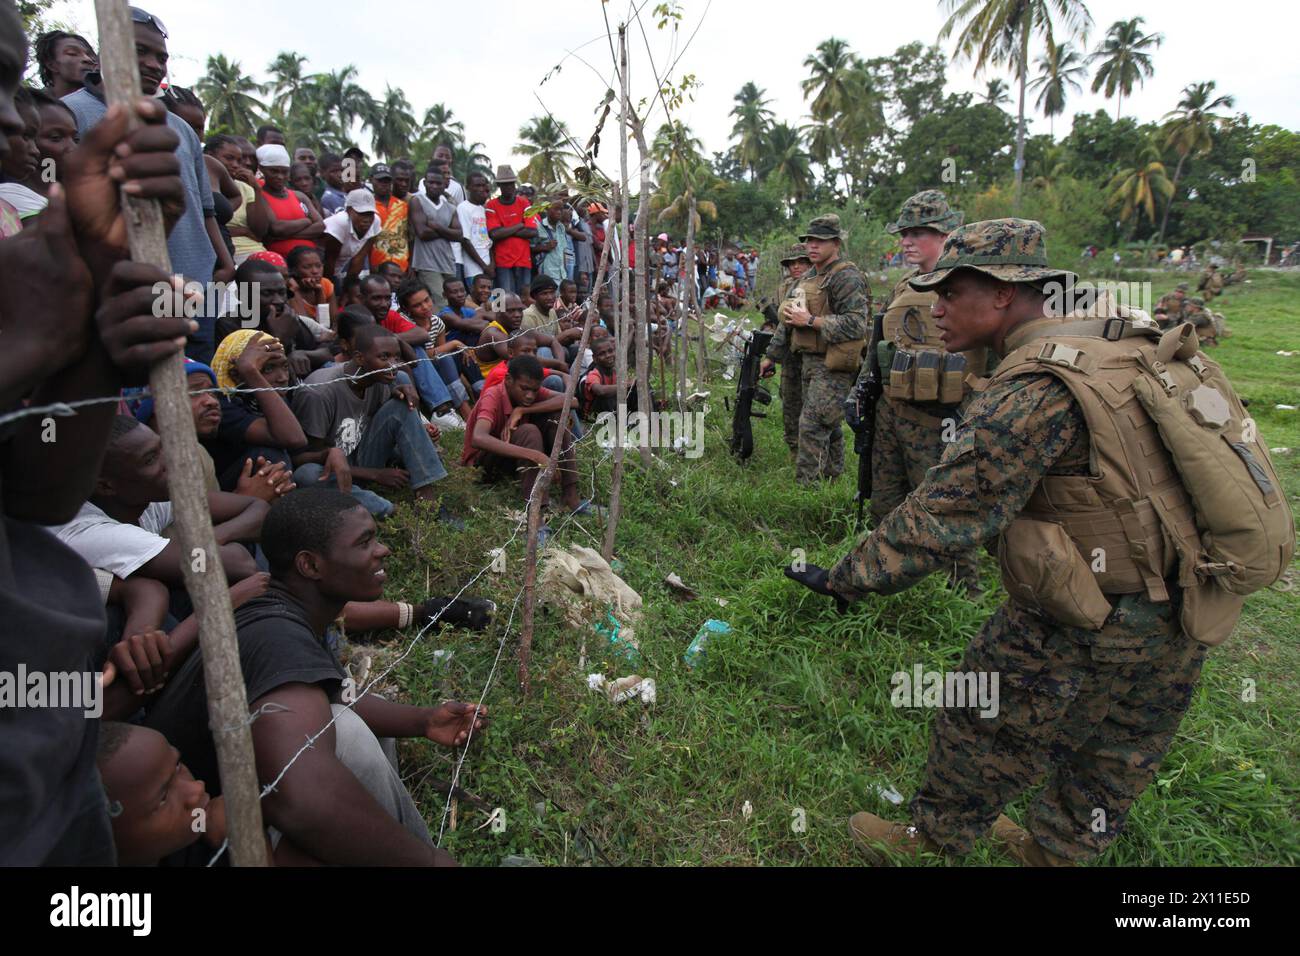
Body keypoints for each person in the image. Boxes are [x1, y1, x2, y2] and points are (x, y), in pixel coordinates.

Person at [785, 217, 1257, 867]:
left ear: (1005, 293)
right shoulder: (1115, 340)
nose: (938, 306)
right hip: (1189, 599)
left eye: (952, 291)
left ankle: (932, 840)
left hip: (1096, 609)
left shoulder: (1038, 384)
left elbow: (951, 511)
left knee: (978, 716)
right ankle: (1056, 851)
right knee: (1120, 749)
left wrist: (846, 577)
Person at [142, 488, 487, 865]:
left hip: (229, 813)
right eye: (365, 542)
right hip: (194, 845)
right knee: (348, 733)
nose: (383, 550)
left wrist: (424, 720)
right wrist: (429, 862)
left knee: (351, 717)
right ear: (311, 566)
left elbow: (337, 692)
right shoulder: (276, 634)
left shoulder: (289, 612)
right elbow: (303, 797)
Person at [60, 8, 223, 361]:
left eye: (161, 57)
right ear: (107, 52)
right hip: (126, 292)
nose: (153, 64)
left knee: (199, 398)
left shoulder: (180, 129)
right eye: (140, 51)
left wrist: (220, 266)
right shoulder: (70, 115)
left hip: (193, 288)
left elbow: (206, 211)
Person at [858, 190, 983, 593]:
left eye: (919, 233)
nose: (907, 241)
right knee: (886, 501)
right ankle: (895, 579)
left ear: (947, 233)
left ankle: (961, 593)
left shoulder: (970, 284)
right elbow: (880, 345)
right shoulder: (904, 285)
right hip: (892, 412)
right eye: (904, 233)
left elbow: (993, 357)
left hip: (944, 418)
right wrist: (862, 389)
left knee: (944, 510)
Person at [292, 323, 450, 516]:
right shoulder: (319, 392)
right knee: (307, 475)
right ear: (359, 357)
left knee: (402, 400)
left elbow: (389, 421)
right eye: (384, 357)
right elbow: (300, 458)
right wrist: (375, 475)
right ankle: (394, 512)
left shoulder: (389, 379)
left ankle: (428, 502)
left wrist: (418, 429)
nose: (393, 365)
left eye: (396, 357)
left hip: (365, 454)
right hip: (335, 469)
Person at [780, 214, 870, 483]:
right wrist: (772, 356)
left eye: (820, 241)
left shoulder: (846, 277)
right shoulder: (809, 277)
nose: (812, 246)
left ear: (836, 244)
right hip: (809, 361)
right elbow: (787, 320)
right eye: (809, 240)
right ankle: (833, 474)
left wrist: (811, 321)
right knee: (826, 423)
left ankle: (808, 489)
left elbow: (856, 324)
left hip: (834, 364)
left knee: (811, 424)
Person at [462, 355, 581, 511]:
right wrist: (536, 455)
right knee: (529, 431)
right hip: (484, 466)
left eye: (534, 390)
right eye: (524, 389)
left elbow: (572, 401)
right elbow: (478, 438)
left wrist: (523, 409)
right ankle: (537, 510)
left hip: (514, 455)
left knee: (558, 418)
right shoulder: (493, 395)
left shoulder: (529, 392)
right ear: (508, 380)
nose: (530, 395)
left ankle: (570, 495)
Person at [760, 243, 812, 454]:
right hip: (789, 352)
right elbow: (778, 321)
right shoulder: (784, 288)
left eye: (801, 262)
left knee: (814, 405)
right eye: (792, 263)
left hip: (811, 352)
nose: (796, 267)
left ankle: (814, 453)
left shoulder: (819, 284)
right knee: (790, 401)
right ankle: (794, 449)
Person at [409, 165, 461, 309]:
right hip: (427, 263)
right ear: (425, 183)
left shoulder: (450, 206)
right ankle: (441, 331)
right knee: (439, 303)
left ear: (444, 184)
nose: (434, 186)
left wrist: (437, 227)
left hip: (447, 262)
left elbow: (459, 235)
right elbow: (422, 232)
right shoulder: (417, 201)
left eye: (438, 183)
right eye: (431, 182)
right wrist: (447, 232)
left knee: (454, 301)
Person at [485, 164, 536, 295]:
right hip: (502, 262)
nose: (508, 187)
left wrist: (504, 230)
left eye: (510, 183)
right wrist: (520, 225)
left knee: (523, 300)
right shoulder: (491, 205)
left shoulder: (524, 203)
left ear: (514, 184)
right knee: (502, 300)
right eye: (504, 184)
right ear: (499, 186)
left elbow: (532, 231)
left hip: (524, 260)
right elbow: (494, 234)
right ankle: (497, 316)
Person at [323, 187, 382, 284]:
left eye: (370, 214)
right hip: (320, 266)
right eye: (361, 213)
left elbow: (359, 258)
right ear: (349, 210)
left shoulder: (375, 221)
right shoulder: (341, 223)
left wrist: (348, 287)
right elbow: (329, 260)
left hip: (339, 268)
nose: (367, 219)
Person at [368, 162, 409, 272]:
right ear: (371, 179)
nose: (384, 184)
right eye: (380, 180)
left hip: (402, 267)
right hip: (377, 267)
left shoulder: (403, 206)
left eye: (387, 181)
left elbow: (410, 237)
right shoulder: (367, 206)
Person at [33, 29, 96, 99]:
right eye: (72, 53)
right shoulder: (34, 105)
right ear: (52, 65)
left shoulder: (105, 99)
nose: (88, 59)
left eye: (88, 55)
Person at [456, 170, 492, 282]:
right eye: (477, 185)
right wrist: (484, 266)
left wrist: (491, 265)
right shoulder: (463, 208)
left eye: (483, 185)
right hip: (473, 269)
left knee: (491, 299)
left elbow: (489, 241)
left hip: (488, 266)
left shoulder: (483, 209)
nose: (481, 189)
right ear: (468, 187)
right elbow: (465, 241)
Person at [534, 198, 571, 284]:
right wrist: (545, 247)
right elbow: (530, 248)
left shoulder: (561, 227)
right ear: (547, 209)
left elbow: (564, 250)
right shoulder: (539, 226)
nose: (559, 212)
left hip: (562, 274)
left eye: (561, 209)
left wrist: (566, 270)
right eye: (556, 209)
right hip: (547, 273)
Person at [318, 150, 347, 216]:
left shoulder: (346, 193)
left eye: (342, 170)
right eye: (334, 171)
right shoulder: (329, 197)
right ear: (322, 173)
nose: (340, 175)